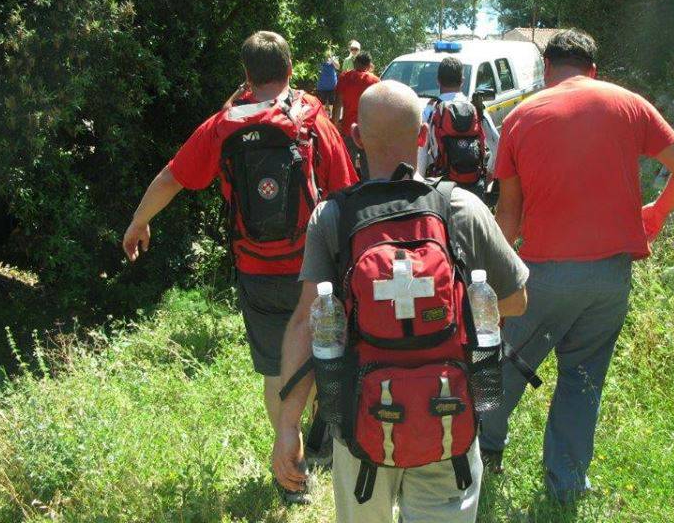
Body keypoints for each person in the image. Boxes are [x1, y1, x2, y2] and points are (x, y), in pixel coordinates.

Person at [273, 81, 529, 523]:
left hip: (361, 417)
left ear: (355, 136)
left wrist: (288, 425)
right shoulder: (462, 207)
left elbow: (304, 323)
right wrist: (446, 311)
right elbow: (517, 301)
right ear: (423, 136)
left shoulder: (332, 218)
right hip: (448, 411)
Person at [122, 31, 357, 503]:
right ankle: (318, 441)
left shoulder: (223, 124)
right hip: (313, 267)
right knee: (319, 350)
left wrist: (138, 222)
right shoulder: (312, 117)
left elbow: (172, 177)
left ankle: (290, 474)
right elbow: (346, 191)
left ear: (246, 75)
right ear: (290, 70)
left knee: (276, 368)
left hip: (256, 268)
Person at [478, 29, 674, 503]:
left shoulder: (522, 116)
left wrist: (498, 282)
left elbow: (510, 212)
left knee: (505, 365)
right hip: (610, 276)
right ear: (593, 70)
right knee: (583, 378)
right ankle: (565, 484)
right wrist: (655, 215)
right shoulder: (629, 104)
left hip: (542, 275)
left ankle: (483, 454)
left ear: (547, 70)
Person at [417, 56, 500, 199]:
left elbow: (421, 153)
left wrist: (421, 186)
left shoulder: (431, 111)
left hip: (442, 188)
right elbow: (498, 146)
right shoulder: (476, 109)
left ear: (438, 80)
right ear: (462, 81)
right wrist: (489, 173)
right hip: (473, 187)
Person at [333, 50, 380, 177]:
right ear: (369, 65)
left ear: (355, 63)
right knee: (368, 170)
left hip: (348, 130)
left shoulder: (344, 78)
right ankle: (368, 191)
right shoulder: (375, 81)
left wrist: (334, 124)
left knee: (347, 168)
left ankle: (349, 193)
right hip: (368, 131)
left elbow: (337, 104)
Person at [315, 45, 340, 113]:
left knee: (332, 103)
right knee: (322, 104)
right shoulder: (320, 59)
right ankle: (323, 117)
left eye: (329, 50)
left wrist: (332, 60)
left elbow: (338, 67)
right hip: (322, 86)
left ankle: (331, 117)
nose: (327, 52)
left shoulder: (334, 58)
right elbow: (316, 68)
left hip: (332, 86)